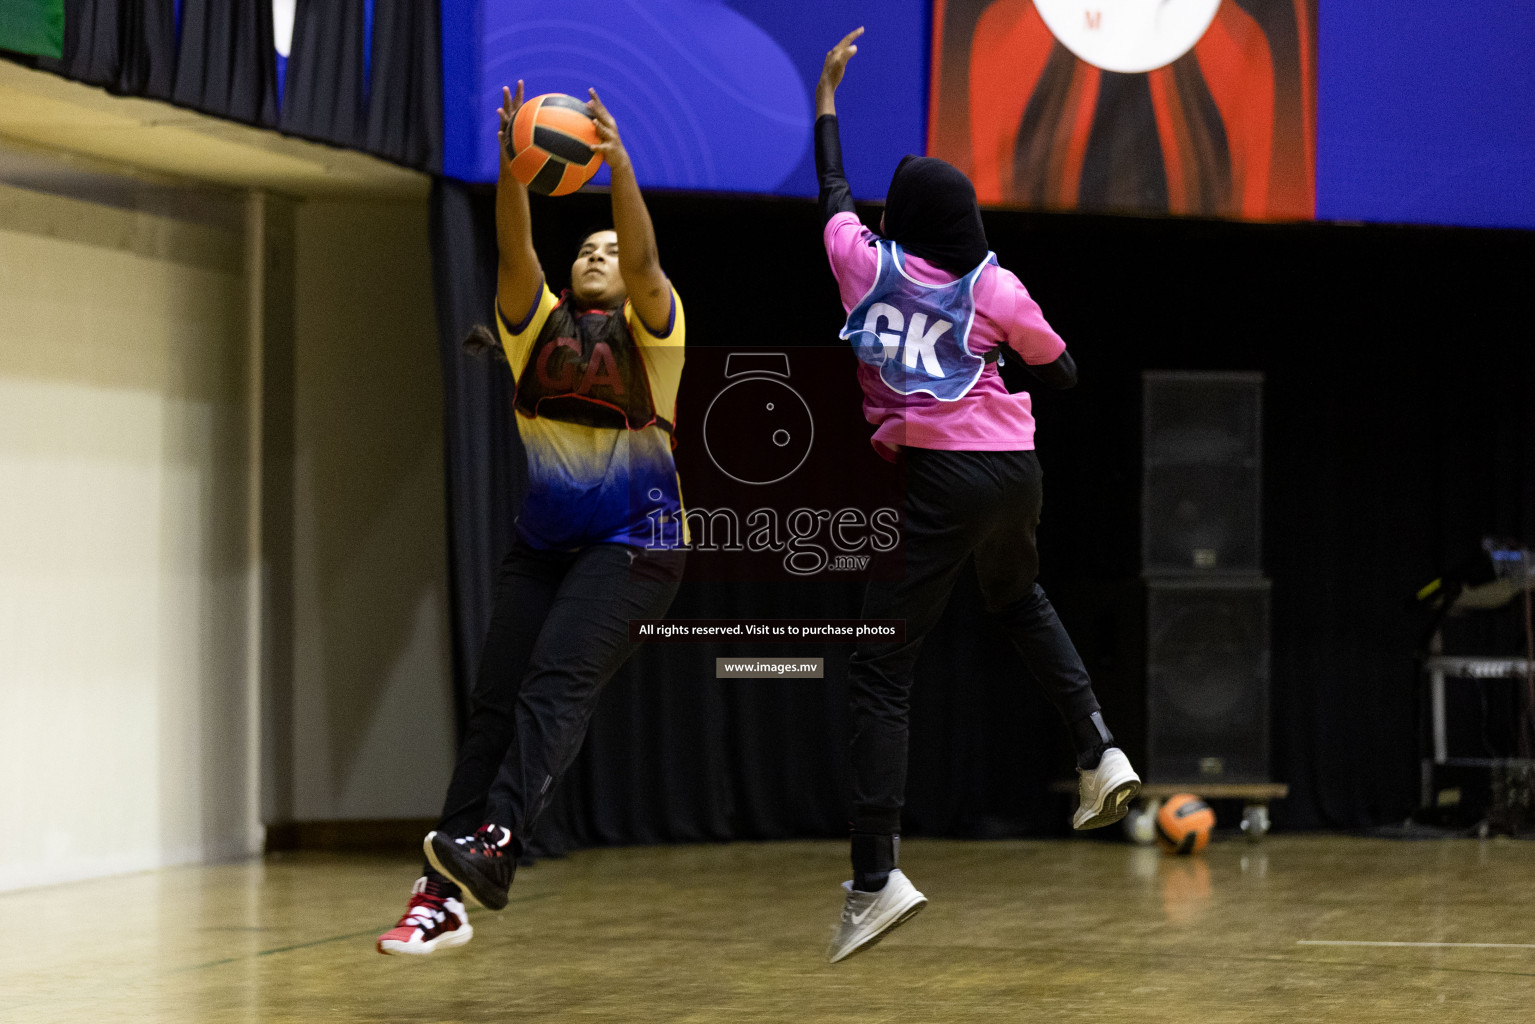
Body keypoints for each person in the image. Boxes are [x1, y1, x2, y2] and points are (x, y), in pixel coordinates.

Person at [814, 28, 1141, 964]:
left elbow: (833, 195)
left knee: (881, 671)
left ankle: (875, 879)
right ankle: (1097, 748)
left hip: (936, 481)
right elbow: (1066, 370)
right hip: (1014, 473)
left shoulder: (856, 260)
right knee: (1019, 598)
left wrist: (830, 99)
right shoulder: (993, 284)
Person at [376, 81, 687, 955]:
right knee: (493, 706)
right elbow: (514, 247)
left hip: (637, 547)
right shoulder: (534, 325)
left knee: (554, 684)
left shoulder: (657, 333)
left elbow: (650, 261)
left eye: (610, 247)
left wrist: (619, 168)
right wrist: (515, 168)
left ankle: (497, 849)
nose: (597, 254)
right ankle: (439, 896)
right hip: (546, 544)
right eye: (585, 245)